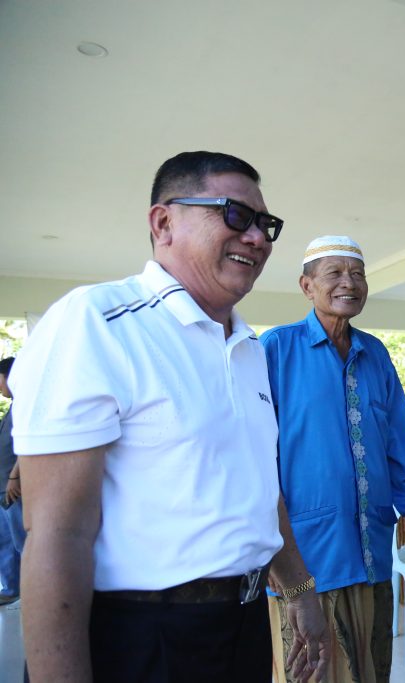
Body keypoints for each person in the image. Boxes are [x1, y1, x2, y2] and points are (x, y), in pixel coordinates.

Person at [9, 151, 330, 682]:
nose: (258, 238)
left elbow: (257, 487)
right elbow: (56, 536)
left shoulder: (248, 346)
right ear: (163, 222)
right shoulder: (97, 323)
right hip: (142, 638)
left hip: (242, 626)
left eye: (266, 224)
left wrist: (298, 590)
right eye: (235, 214)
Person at [261, 235, 405, 683]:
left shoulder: (374, 354)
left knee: (370, 671)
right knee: (313, 671)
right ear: (307, 286)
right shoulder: (276, 350)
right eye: (335, 274)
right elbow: (254, 455)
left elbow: (400, 441)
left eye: (357, 274)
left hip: (370, 548)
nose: (349, 283)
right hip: (305, 556)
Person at [0, 356, 23, 607]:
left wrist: (15, 477)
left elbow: (25, 448)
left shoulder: (25, 405)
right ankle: (10, 588)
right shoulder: (13, 407)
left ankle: (32, 594)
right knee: (5, 541)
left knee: (22, 543)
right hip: (3, 488)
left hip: (15, 487)